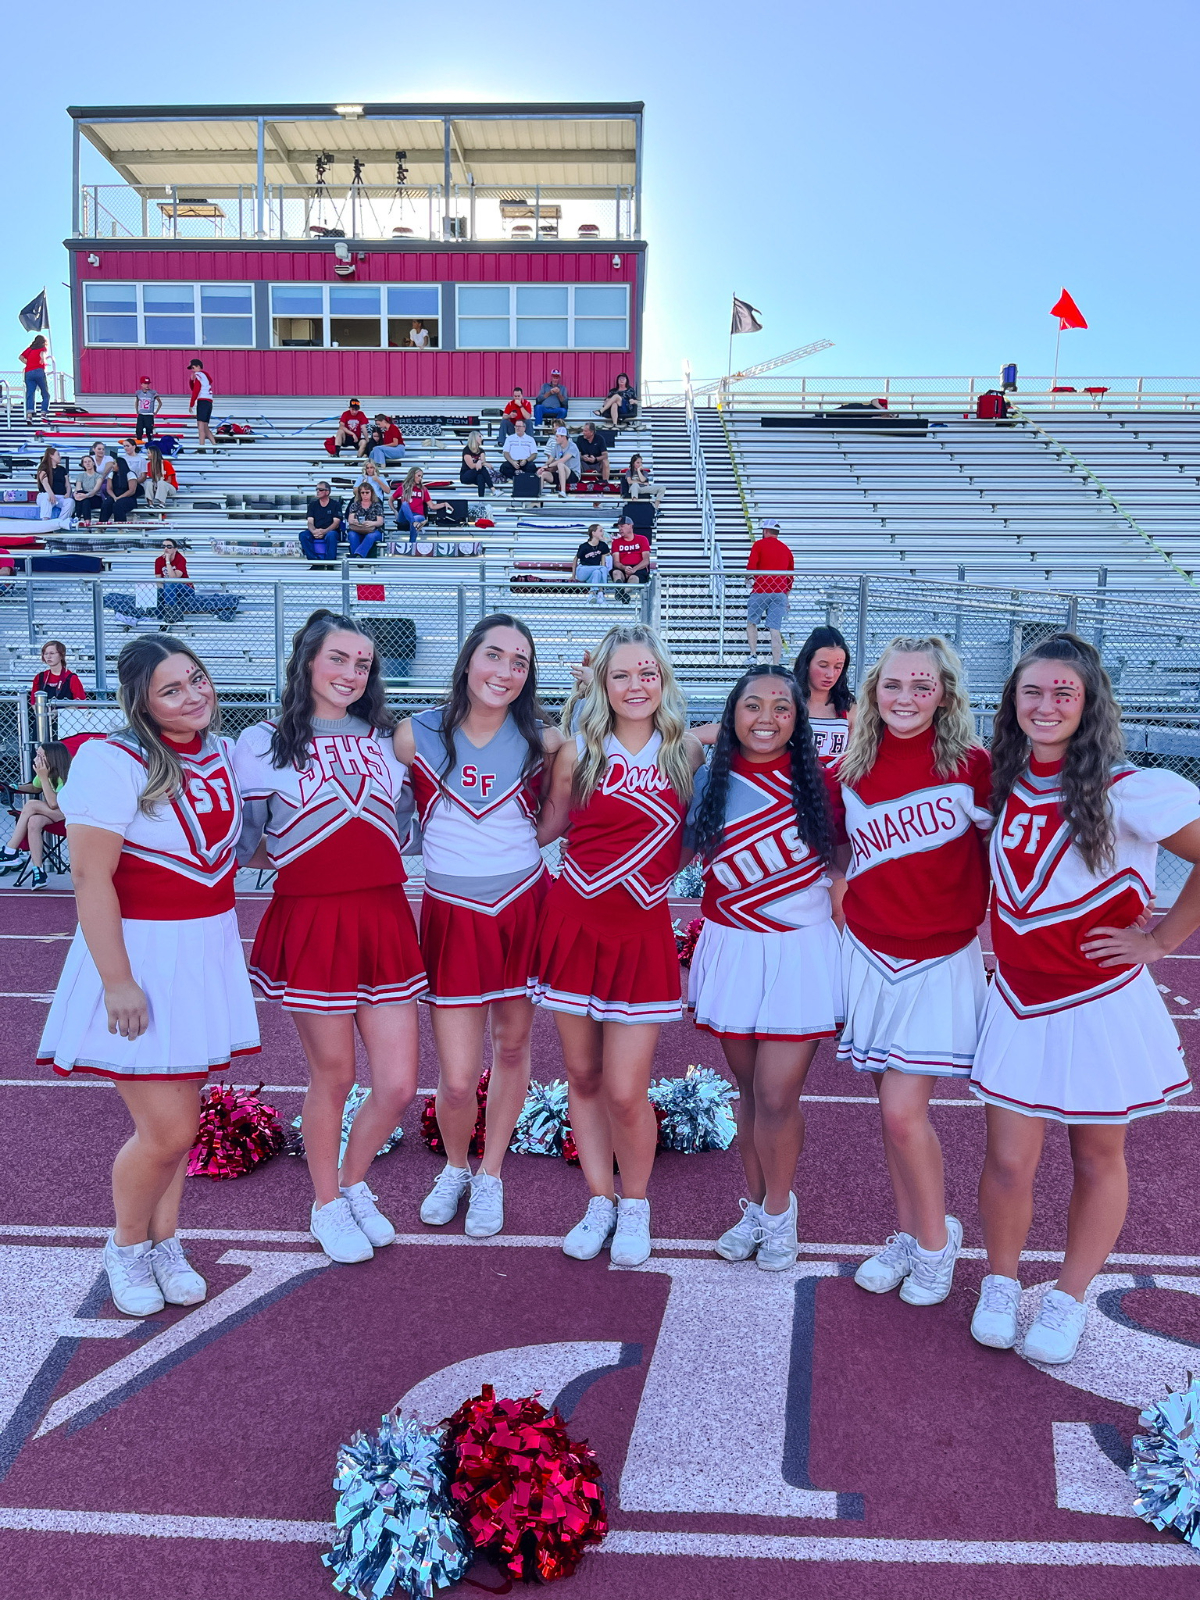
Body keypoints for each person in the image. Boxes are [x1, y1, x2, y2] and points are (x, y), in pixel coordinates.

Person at [968, 633, 1200, 1363]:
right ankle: (1001, 1282)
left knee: (1098, 1155)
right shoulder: (1002, 782)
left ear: (1088, 703)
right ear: (1012, 703)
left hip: (1100, 1000)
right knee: (1008, 1160)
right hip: (1021, 1001)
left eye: (1063, 693)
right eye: (1032, 692)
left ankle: (1068, 1297)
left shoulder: (1130, 788)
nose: (1046, 705)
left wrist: (1160, 942)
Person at [37, 636, 256, 1316]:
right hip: (142, 959)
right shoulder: (110, 758)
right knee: (165, 1131)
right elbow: (88, 874)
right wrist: (117, 979)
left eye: (197, 679)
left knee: (182, 1123)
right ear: (141, 701)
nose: (193, 695)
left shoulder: (220, 751)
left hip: (205, 952)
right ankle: (126, 1247)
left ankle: (166, 1242)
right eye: (171, 689)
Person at [233, 610, 426, 1265]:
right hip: (313, 919)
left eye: (362, 664)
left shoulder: (388, 740)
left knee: (398, 1083)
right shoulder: (260, 741)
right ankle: (325, 1204)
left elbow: (408, 830)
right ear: (307, 661)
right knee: (335, 1076)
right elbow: (245, 844)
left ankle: (351, 1184)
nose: (350, 673)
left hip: (383, 916)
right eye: (337, 659)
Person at [531, 624, 704, 1266]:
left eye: (648, 673)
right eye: (623, 674)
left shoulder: (685, 752)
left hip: (641, 933)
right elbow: (543, 827)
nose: (637, 686)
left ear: (664, 680)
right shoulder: (578, 752)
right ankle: (598, 1198)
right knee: (582, 1074)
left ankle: (636, 1204)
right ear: (602, 683)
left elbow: (694, 837)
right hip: (573, 926)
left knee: (628, 1089)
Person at [835, 636, 992, 1308]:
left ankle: (935, 1243)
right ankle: (908, 1233)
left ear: (945, 694)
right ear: (874, 690)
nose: (904, 698)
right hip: (869, 953)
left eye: (920, 686)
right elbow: (838, 853)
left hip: (937, 957)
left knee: (905, 1114)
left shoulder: (976, 766)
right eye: (893, 685)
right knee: (887, 1109)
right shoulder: (852, 764)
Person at [395, 616, 564, 1239]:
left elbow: (553, 822)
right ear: (469, 660)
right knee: (459, 1073)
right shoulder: (415, 735)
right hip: (449, 909)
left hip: (521, 902)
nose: (505, 671)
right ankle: (457, 1166)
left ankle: (490, 1173)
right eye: (495, 655)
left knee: (514, 1047)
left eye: (520, 662)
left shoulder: (545, 741)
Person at [686, 669, 843, 1270]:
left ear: (799, 720)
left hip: (798, 951)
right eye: (752, 705)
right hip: (731, 947)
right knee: (749, 1092)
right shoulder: (709, 779)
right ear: (731, 716)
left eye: (782, 707)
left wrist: (841, 902)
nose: (766, 717)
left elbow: (847, 854)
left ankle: (780, 1213)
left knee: (778, 1094)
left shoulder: (823, 782)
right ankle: (755, 1209)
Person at [0, 741, 72, 888]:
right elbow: (35, 787)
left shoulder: (68, 774)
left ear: (52, 757)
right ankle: (38, 872)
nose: (35, 759)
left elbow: (53, 804)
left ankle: (10, 850)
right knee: (34, 821)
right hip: (56, 815)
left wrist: (44, 777)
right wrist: (14, 786)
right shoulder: (47, 772)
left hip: (72, 816)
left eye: (40, 755)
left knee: (31, 805)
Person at [794, 626, 857, 764]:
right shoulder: (788, 704)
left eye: (837, 667)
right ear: (807, 663)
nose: (830, 674)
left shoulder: (851, 709)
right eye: (823, 665)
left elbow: (854, 762)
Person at [746, 519, 794, 667]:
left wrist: (748, 579)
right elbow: (790, 576)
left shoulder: (759, 545)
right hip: (779, 591)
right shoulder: (786, 549)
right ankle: (776, 663)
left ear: (765, 531)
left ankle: (754, 654)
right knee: (775, 629)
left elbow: (751, 567)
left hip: (761, 589)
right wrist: (786, 596)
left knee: (752, 622)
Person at [395, 466, 450, 533]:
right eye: (418, 476)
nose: (420, 478)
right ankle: (415, 523)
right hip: (404, 517)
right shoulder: (402, 488)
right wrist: (395, 511)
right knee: (404, 504)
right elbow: (390, 500)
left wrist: (444, 504)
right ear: (412, 475)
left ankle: (414, 529)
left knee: (417, 519)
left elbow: (432, 506)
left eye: (421, 477)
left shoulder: (423, 490)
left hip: (418, 515)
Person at [31, 640, 86, 705]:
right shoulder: (40, 677)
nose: (48, 657)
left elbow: (81, 705)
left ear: (61, 655)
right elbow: (33, 702)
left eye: (52, 653)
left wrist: (59, 712)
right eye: (45, 654)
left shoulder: (71, 678)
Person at [609, 514, 652, 594]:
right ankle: (621, 592)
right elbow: (616, 562)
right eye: (619, 527)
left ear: (630, 526)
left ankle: (623, 593)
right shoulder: (616, 542)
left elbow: (646, 560)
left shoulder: (642, 539)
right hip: (623, 567)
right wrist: (624, 567)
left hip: (638, 568)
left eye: (622, 526)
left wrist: (634, 569)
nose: (620, 529)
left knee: (634, 578)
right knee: (616, 573)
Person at [155, 538, 194, 623]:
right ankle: (161, 619)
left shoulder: (180, 559)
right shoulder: (158, 560)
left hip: (186, 590)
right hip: (168, 590)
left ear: (175, 549)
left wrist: (167, 561)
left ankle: (172, 614)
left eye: (169, 546)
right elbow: (158, 581)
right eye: (164, 546)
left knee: (170, 583)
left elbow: (174, 578)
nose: (166, 549)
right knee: (161, 590)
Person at [303, 482, 343, 562]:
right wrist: (314, 531)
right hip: (316, 530)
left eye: (320, 490)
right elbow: (310, 522)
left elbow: (336, 523)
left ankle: (330, 562)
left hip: (330, 531)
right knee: (303, 535)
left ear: (327, 492)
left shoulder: (335, 505)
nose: (318, 491)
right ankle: (314, 560)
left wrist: (324, 531)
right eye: (317, 489)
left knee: (331, 535)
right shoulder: (312, 505)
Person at [572, 523, 612, 603]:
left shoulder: (603, 545)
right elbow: (575, 559)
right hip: (583, 570)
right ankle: (603, 589)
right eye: (600, 531)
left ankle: (594, 595)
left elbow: (603, 560)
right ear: (593, 533)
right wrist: (573, 576)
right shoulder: (584, 546)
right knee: (601, 568)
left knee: (597, 572)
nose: (603, 533)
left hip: (593, 573)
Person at [35, 448, 75, 524]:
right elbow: (45, 482)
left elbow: (67, 484)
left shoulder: (62, 469)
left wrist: (68, 493)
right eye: (58, 455)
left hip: (60, 496)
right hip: (46, 494)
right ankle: (45, 521)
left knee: (70, 502)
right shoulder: (43, 468)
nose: (60, 457)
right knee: (47, 497)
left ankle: (60, 522)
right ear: (51, 456)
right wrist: (51, 494)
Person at [101, 448, 140, 524]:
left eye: (114, 464)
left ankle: (121, 526)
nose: (112, 466)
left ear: (120, 465)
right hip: (115, 496)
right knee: (106, 503)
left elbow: (131, 490)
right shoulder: (112, 474)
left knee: (118, 505)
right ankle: (102, 525)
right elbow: (109, 489)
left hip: (128, 498)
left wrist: (119, 498)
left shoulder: (130, 474)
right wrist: (114, 497)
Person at [346, 483, 386, 557]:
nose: (365, 495)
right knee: (352, 535)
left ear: (371, 493)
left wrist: (371, 523)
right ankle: (358, 557)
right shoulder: (355, 505)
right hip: (358, 529)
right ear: (359, 493)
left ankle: (357, 555)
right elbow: (350, 520)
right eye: (362, 493)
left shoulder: (377, 505)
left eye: (367, 492)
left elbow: (380, 522)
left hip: (374, 530)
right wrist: (356, 522)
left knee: (371, 536)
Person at [539, 427, 581, 494]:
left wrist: (548, 466)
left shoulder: (573, 446)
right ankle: (537, 496)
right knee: (543, 474)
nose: (556, 438)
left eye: (557, 436)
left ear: (563, 437)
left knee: (560, 464)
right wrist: (543, 467)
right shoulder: (557, 446)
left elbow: (563, 460)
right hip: (560, 474)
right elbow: (550, 460)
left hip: (573, 475)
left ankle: (563, 491)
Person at [187, 359, 216, 452]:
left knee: (200, 425)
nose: (192, 370)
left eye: (193, 367)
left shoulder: (199, 375)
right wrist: (191, 381)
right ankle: (215, 446)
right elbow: (195, 387)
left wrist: (191, 404)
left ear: (198, 367)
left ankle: (202, 447)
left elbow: (195, 390)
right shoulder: (205, 376)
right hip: (209, 401)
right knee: (205, 426)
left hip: (202, 401)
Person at [21, 335, 50, 421]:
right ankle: (43, 412)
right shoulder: (43, 348)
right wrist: (43, 360)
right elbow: (42, 355)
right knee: (45, 393)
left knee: (30, 393)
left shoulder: (30, 349)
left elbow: (21, 357)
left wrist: (28, 363)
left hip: (28, 372)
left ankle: (29, 414)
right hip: (39, 371)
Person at [73, 455, 105, 527]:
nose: (87, 463)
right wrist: (76, 494)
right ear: (83, 465)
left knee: (84, 498)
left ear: (93, 463)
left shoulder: (99, 476)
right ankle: (87, 524)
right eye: (85, 462)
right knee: (85, 500)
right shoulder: (80, 475)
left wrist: (85, 495)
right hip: (84, 498)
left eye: (89, 461)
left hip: (96, 498)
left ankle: (77, 516)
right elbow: (78, 488)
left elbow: (95, 490)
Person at [143, 447, 176, 511]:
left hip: (169, 487)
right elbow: (151, 479)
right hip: (157, 486)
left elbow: (169, 480)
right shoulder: (149, 464)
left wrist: (158, 484)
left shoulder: (166, 463)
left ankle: (162, 504)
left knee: (161, 483)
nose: (147, 455)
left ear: (154, 454)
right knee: (148, 483)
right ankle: (150, 504)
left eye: (148, 453)